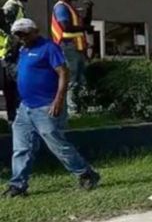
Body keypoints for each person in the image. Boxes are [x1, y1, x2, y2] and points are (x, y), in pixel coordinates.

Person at [3, 19, 100, 197]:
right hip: (25, 108)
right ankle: (18, 185)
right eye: (18, 35)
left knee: (58, 146)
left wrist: (58, 101)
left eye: (24, 33)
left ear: (35, 31)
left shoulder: (49, 48)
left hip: (46, 107)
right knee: (21, 148)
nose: (21, 37)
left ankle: (86, 173)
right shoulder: (23, 50)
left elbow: (63, 72)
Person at [50, 0, 92, 115]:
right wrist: (85, 27)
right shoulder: (61, 7)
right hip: (67, 47)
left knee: (81, 80)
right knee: (72, 80)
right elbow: (65, 27)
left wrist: (89, 11)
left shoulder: (70, 8)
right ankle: (72, 111)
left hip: (76, 48)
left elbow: (81, 23)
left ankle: (80, 109)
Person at [1, 0, 31, 122]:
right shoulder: (11, 7)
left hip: (12, 52)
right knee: (18, 87)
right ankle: (18, 120)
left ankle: (15, 119)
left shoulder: (17, 7)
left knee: (13, 89)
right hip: (10, 53)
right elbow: (7, 29)